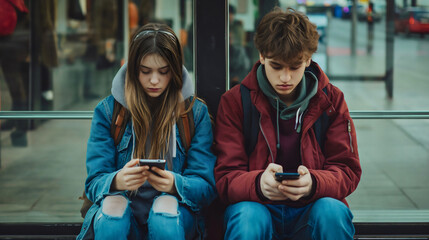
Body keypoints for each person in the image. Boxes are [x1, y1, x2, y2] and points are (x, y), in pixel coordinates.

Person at [214, 7, 361, 240]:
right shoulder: (235, 102)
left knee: (332, 213)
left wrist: (314, 183)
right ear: (261, 56)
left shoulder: (331, 100)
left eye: (295, 66)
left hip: (312, 206)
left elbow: (347, 169)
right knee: (246, 218)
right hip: (257, 206)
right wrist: (259, 184)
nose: (285, 78)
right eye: (276, 66)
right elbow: (225, 177)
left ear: (309, 59)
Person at [77, 23, 217, 240]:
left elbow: (206, 187)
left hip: (173, 217)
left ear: (176, 70)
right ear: (133, 69)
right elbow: (94, 182)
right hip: (124, 215)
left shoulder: (194, 113)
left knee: (164, 212)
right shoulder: (108, 112)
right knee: (113, 210)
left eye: (163, 72)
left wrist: (174, 184)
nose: (154, 80)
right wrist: (117, 181)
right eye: (145, 71)